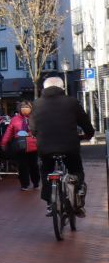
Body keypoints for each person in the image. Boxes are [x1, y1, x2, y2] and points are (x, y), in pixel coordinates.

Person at [30, 77, 94, 216]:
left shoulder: (37, 104)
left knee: (46, 170)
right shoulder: (71, 102)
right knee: (76, 169)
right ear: (62, 88)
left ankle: (49, 202)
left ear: (44, 89)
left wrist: (39, 135)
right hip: (69, 146)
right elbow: (84, 121)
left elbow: (33, 128)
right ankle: (77, 194)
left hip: (45, 147)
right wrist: (88, 134)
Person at [1, 100, 40, 191]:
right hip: (20, 146)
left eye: (27, 107)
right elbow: (9, 132)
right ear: (19, 108)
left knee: (33, 165)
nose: (25, 109)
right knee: (23, 166)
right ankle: (25, 184)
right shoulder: (15, 119)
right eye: (23, 107)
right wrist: (4, 143)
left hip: (33, 146)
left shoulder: (35, 118)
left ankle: (35, 182)